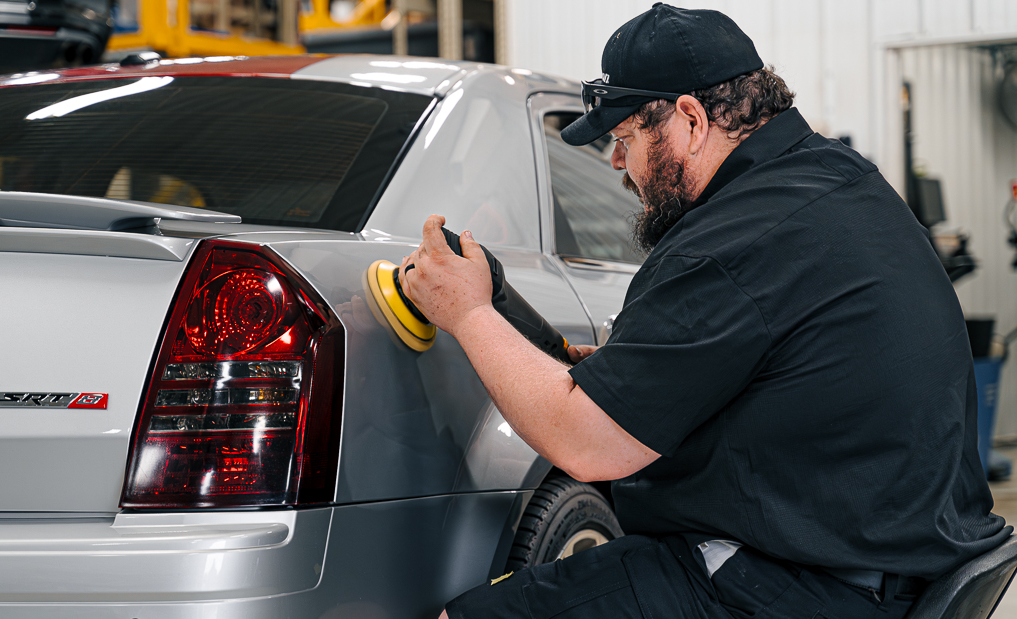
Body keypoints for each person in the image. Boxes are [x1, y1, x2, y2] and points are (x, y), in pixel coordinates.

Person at [399, 4, 1010, 618]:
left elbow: (585, 446)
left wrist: (470, 311)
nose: (617, 164)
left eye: (626, 138)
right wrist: (629, 379)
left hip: (799, 588)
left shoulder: (733, 243)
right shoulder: (836, 180)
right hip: (891, 571)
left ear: (689, 119)